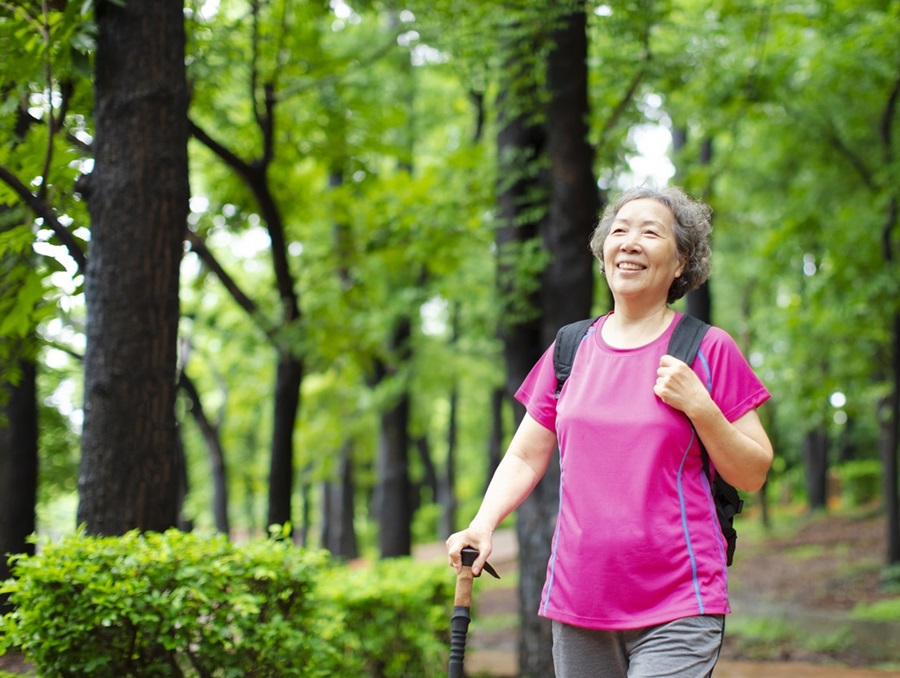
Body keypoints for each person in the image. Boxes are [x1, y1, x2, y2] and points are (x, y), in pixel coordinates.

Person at [446, 185, 774, 677]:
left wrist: (702, 408)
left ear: (682, 261)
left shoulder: (707, 348)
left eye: (651, 232)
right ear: (604, 255)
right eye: (619, 230)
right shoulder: (570, 348)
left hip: (679, 598)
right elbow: (524, 455)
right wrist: (483, 522)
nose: (630, 241)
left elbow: (753, 472)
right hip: (580, 597)